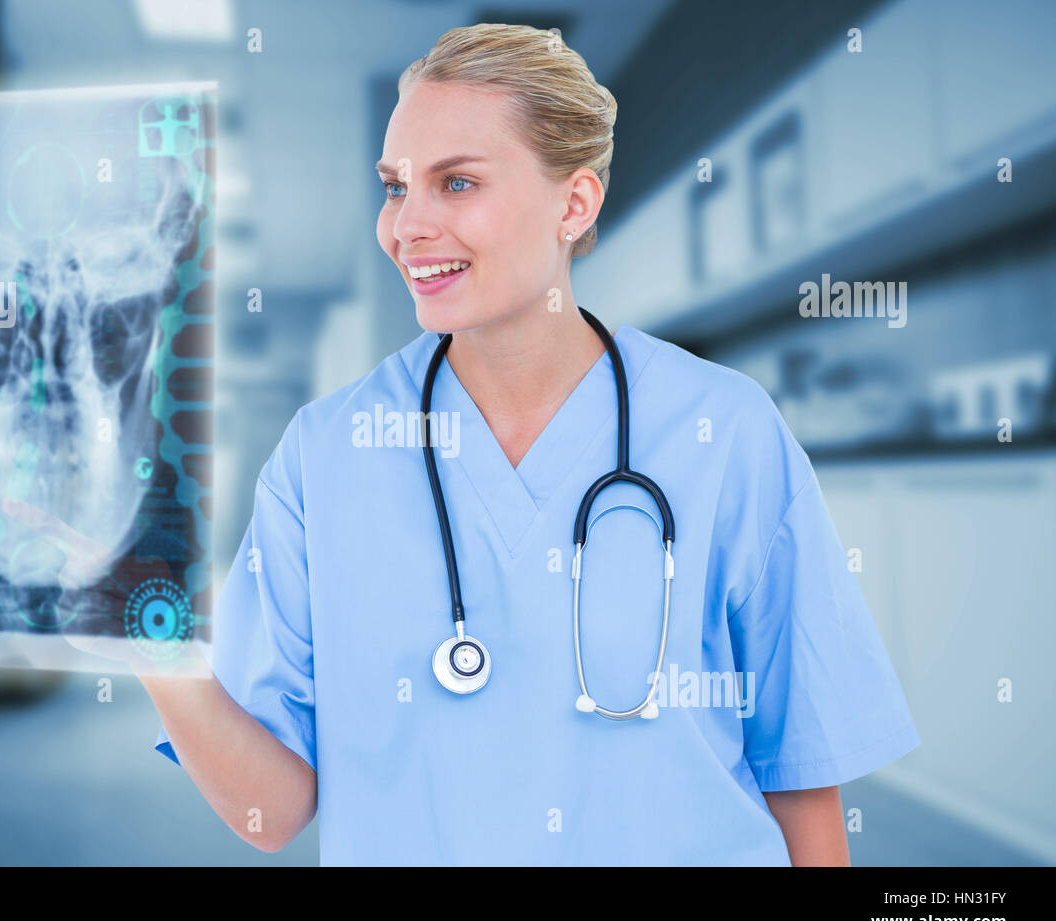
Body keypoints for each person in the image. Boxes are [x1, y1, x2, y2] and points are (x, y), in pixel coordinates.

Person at [140, 23, 920, 865]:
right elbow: (273, 813)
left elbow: (800, 773)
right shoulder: (325, 453)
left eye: (458, 182)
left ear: (574, 204)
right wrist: (136, 631)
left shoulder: (724, 430)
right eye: (396, 187)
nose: (408, 225)